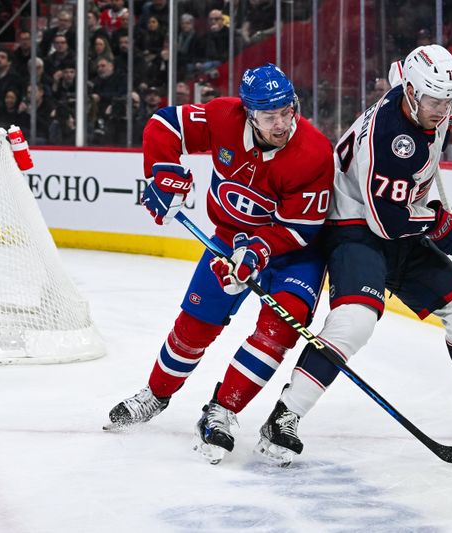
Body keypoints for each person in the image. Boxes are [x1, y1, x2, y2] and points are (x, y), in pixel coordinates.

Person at [252, 45, 452, 467]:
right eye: (435, 101)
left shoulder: (415, 95)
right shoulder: (395, 139)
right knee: (354, 323)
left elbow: (400, 67)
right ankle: (283, 418)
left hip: (393, 219)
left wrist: (431, 219)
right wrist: (438, 224)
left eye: (451, 100)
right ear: (412, 94)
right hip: (355, 227)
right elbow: (387, 224)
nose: (444, 110)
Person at [105, 64, 335, 466]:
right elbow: (164, 124)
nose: (282, 123)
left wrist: (259, 253)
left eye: (287, 111)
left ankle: (223, 409)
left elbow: (301, 228)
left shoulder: (314, 152)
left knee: (278, 329)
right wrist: (162, 171)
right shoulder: (222, 116)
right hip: (229, 240)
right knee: (196, 324)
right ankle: (156, 395)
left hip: (295, 252)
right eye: (269, 116)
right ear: (248, 113)